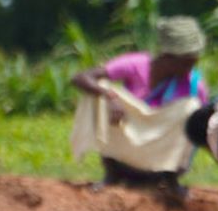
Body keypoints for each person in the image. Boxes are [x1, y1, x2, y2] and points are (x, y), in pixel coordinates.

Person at [70, 16, 209, 196]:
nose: (191, 67)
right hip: (124, 157)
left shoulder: (194, 85)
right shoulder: (136, 64)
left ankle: (170, 180)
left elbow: (203, 129)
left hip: (159, 165)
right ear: (168, 56)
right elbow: (80, 78)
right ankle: (112, 175)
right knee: (102, 88)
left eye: (194, 61)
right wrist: (110, 97)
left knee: (193, 109)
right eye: (187, 61)